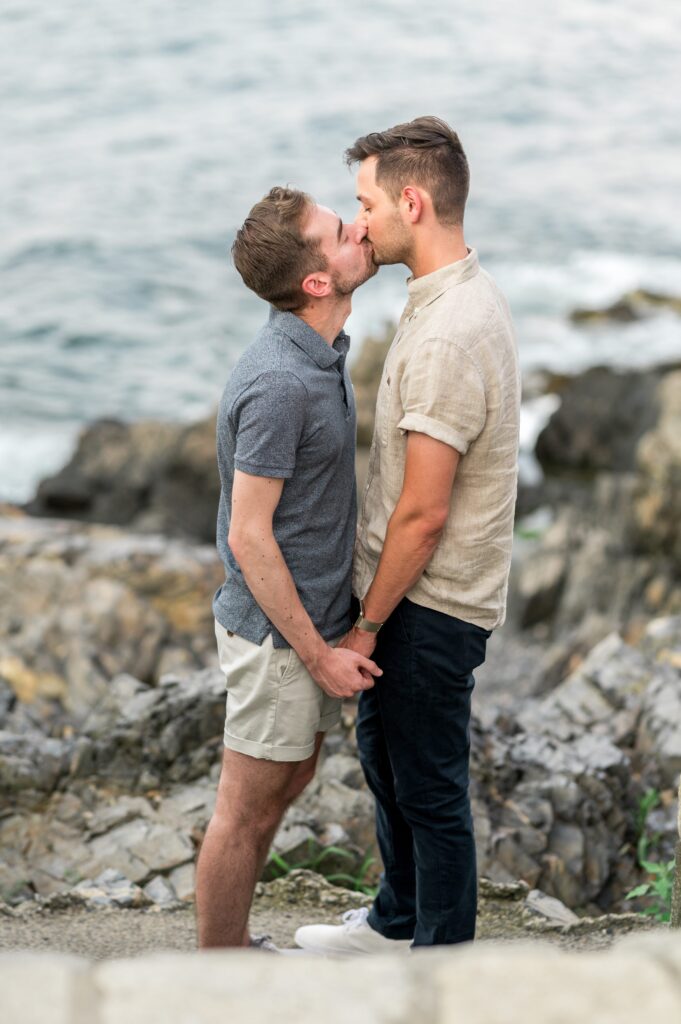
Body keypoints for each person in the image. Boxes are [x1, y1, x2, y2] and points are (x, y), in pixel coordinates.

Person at [294, 116, 520, 953]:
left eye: (366, 204)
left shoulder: (450, 333)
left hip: (429, 605)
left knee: (426, 789)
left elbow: (423, 514)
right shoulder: (445, 299)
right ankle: (395, 925)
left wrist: (365, 623)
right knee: (389, 769)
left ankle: (438, 966)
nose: (357, 226)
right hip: (411, 598)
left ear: (412, 203)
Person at [196, 186, 382, 949]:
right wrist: (319, 655)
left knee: (288, 780)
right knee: (245, 808)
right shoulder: (279, 382)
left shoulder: (321, 351)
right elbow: (249, 537)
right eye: (342, 231)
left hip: (305, 623)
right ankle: (220, 973)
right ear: (316, 282)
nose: (361, 227)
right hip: (278, 640)